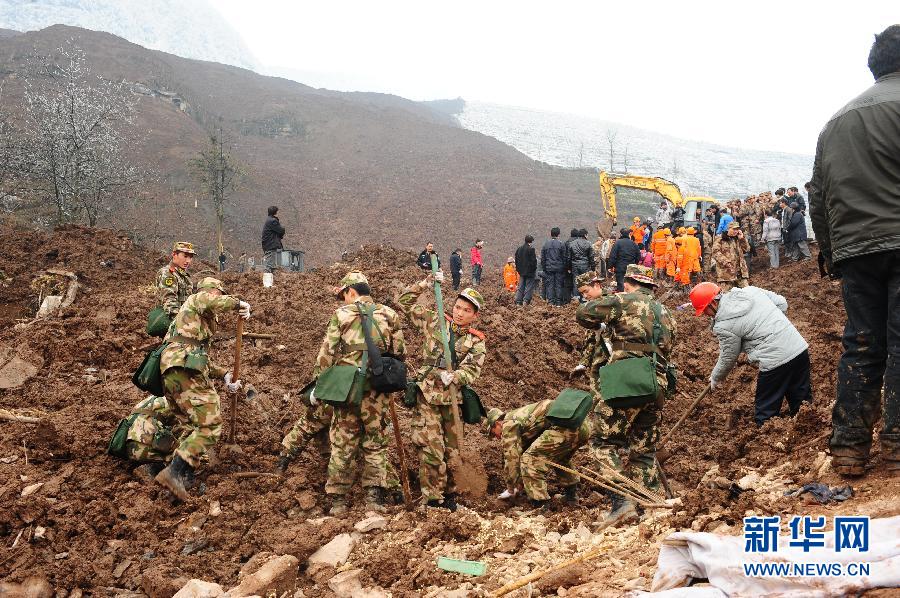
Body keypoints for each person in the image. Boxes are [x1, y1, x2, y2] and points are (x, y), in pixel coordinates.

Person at [810, 25, 900, 477]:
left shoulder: (836, 122)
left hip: (856, 248)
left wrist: (831, 251)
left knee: (862, 342)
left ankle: (849, 446)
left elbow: (817, 193)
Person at [577, 264, 676, 528]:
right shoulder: (664, 311)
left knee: (602, 442)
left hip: (626, 382)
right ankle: (650, 505)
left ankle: (622, 503)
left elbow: (583, 313)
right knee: (644, 449)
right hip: (657, 385)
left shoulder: (623, 300)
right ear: (651, 287)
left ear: (629, 282)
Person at [317, 271, 406, 514]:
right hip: (378, 388)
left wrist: (321, 384)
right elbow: (399, 352)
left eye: (343, 295)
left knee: (343, 442)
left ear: (350, 292)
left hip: (347, 387)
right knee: (375, 443)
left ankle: (337, 501)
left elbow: (326, 353)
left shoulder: (341, 314)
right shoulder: (389, 314)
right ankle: (373, 499)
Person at [155, 278, 252, 500]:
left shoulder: (191, 323)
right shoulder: (198, 299)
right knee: (210, 426)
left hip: (173, 368)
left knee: (191, 425)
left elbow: (199, 356)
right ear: (214, 292)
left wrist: (225, 374)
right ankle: (174, 472)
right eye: (219, 293)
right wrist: (239, 303)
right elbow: (213, 302)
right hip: (183, 366)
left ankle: (181, 481)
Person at [398, 274, 486, 510]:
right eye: (458, 307)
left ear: (474, 316)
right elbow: (404, 302)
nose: (459, 312)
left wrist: (457, 376)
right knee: (430, 448)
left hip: (453, 401)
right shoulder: (435, 320)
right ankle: (433, 499)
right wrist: (424, 284)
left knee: (452, 451)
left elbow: (473, 369)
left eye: (466, 310)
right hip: (427, 395)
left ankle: (450, 496)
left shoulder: (476, 341)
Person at [690, 282, 812, 427]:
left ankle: (766, 440)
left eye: (704, 310)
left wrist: (716, 377)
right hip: (798, 348)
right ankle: (806, 429)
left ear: (713, 304)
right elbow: (782, 303)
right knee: (801, 399)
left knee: (766, 409)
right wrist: (772, 326)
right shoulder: (750, 291)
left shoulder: (723, 325)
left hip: (775, 363)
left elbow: (729, 356)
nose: (705, 315)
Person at [486, 400, 590, 508]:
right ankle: (571, 497)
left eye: (493, 433)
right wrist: (520, 483)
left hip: (566, 428)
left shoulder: (508, 424)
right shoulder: (522, 418)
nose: (497, 437)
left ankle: (542, 506)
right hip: (582, 425)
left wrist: (511, 489)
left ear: (497, 423)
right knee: (560, 458)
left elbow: (512, 458)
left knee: (529, 459)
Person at [108, 396, 179, 481]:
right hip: (143, 450)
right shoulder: (182, 400)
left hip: (125, 446)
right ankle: (152, 468)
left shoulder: (154, 398)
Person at [156, 241, 196, 323]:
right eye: (185, 256)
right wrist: (183, 322)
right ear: (174, 255)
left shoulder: (183, 275)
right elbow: (169, 302)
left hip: (182, 319)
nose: (188, 261)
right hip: (171, 322)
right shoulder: (168, 273)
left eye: (190, 257)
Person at [712, 221, 751, 291]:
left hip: (740, 274)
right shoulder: (720, 239)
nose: (736, 231)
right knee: (727, 297)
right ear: (728, 229)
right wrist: (726, 262)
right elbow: (715, 252)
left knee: (747, 294)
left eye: (737, 229)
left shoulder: (738, 239)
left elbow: (747, 249)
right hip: (726, 274)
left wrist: (742, 239)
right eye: (734, 229)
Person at [608, 228, 641, 292]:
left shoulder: (617, 243)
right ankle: (629, 298)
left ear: (620, 234)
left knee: (621, 284)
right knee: (630, 284)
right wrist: (635, 264)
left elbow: (613, 256)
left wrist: (610, 266)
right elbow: (638, 256)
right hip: (631, 268)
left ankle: (622, 299)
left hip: (620, 267)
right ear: (629, 234)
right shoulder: (634, 244)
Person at [541, 227, 567, 306]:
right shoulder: (561, 244)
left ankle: (551, 302)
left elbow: (543, 258)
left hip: (549, 268)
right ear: (558, 234)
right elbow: (564, 257)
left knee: (550, 285)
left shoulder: (546, 244)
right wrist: (564, 268)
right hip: (559, 268)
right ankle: (558, 302)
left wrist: (544, 268)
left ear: (551, 234)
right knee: (558, 285)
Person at [568, 228, 595, 301]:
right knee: (584, 282)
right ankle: (584, 298)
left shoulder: (572, 243)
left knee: (575, 281)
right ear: (585, 235)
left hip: (575, 265)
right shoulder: (588, 243)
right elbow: (591, 257)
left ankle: (576, 298)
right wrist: (593, 268)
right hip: (585, 265)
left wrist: (569, 267)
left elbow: (569, 257)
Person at [514, 235, 538, 305]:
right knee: (529, 286)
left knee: (521, 286)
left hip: (521, 272)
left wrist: (518, 269)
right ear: (531, 242)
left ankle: (518, 301)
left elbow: (516, 260)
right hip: (530, 272)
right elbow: (534, 262)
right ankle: (526, 300)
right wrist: (533, 269)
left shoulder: (519, 249)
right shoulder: (531, 249)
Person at [261, 206, 285, 273]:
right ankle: (267, 282)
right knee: (269, 266)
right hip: (271, 245)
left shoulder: (269, 220)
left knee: (272, 266)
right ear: (275, 213)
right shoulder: (273, 221)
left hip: (269, 245)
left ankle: (272, 281)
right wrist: (283, 229)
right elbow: (281, 230)